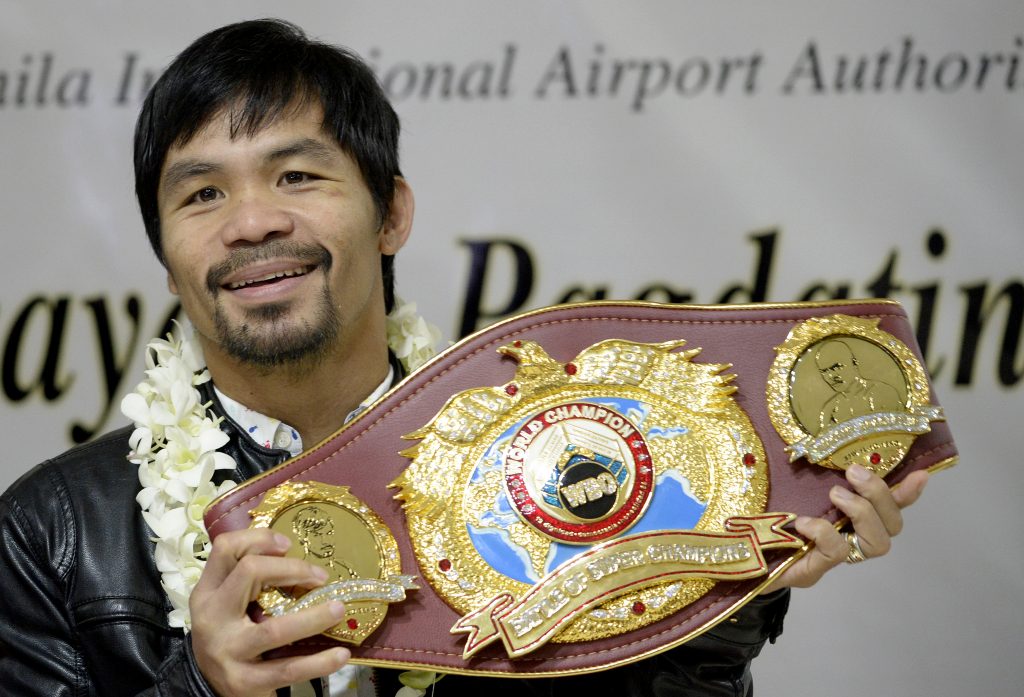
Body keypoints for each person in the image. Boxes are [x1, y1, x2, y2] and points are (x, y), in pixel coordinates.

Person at [0, 19, 928, 697]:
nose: (252, 222)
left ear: (393, 213)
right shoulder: (49, 532)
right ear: (167, 258)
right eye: (200, 194)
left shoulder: (551, 459)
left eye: (297, 175)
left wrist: (729, 594)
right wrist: (200, 687)